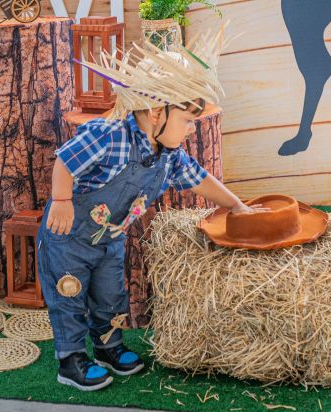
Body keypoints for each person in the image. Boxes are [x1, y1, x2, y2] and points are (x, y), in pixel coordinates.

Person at [37, 33, 266, 391]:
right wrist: (62, 200)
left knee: (110, 294)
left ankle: (107, 346)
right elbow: (66, 161)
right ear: (156, 112)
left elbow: (200, 179)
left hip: (109, 240)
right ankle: (70, 359)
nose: (192, 130)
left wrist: (237, 205)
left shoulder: (169, 156)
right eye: (188, 121)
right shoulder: (109, 134)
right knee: (70, 295)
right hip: (68, 239)